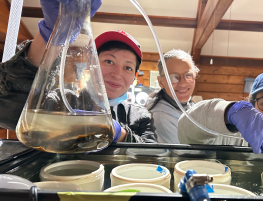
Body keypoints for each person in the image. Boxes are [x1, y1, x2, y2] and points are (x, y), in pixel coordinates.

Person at [0, 0, 156, 143]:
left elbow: (153, 154)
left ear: (135, 77)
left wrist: (118, 133)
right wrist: (51, 33)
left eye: (128, 67)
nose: (117, 74)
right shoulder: (64, 100)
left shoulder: (140, 115)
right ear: (91, 63)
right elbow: (8, 108)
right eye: (109, 61)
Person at [146, 49, 198, 144]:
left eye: (188, 75)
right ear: (161, 82)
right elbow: (182, 155)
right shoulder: (161, 118)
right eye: (173, 77)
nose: (183, 83)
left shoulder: (190, 105)